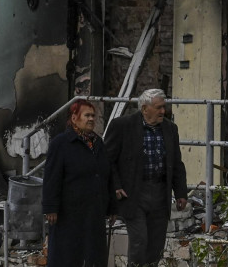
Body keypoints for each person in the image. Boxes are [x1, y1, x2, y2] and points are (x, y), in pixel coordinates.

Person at [106, 88, 188, 267]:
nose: (162, 111)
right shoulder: (122, 126)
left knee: (156, 243)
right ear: (144, 109)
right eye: (158, 107)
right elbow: (108, 160)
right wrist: (116, 186)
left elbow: (176, 163)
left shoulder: (170, 128)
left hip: (160, 192)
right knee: (139, 240)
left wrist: (181, 192)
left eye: (163, 107)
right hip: (134, 192)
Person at [42, 99, 112, 267]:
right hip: (69, 212)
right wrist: (51, 207)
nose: (91, 119)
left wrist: (112, 207)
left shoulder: (97, 143)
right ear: (74, 118)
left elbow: (106, 174)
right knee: (67, 256)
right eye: (86, 115)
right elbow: (52, 177)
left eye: (93, 116)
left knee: (93, 255)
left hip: (93, 211)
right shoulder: (61, 143)